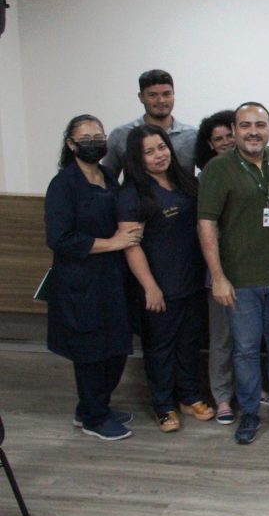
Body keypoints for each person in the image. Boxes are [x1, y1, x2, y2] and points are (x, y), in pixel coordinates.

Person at [197, 102, 269, 444]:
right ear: (235, 130)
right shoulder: (217, 169)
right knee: (244, 349)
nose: (253, 132)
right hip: (239, 281)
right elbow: (206, 225)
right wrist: (218, 277)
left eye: (260, 125)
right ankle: (250, 413)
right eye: (245, 125)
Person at [45, 115, 141, 441]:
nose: (94, 143)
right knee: (90, 351)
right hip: (80, 283)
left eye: (98, 136)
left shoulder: (108, 176)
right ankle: (94, 418)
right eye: (85, 138)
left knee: (116, 346)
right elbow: (59, 238)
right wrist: (112, 243)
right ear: (71, 144)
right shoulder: (64, 185)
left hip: (112, 279)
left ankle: (91, 407)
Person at [118, 124, 213, 433]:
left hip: (192, 282)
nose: (159, 155)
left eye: (161, 148)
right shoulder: (132, 194)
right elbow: (131, 245)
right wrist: (150, 287)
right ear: (137, 158)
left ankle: (189, 396)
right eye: (149, 152)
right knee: (160, 349)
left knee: (189, 343)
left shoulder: (185, 182)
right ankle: (163, 405)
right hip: (160, 287)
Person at [194, 109, 238, 425]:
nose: (225, 142)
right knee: (222, 337)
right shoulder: (205, 178)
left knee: (251, 338)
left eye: (228, 135)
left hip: (253, 270)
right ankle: (222, 396)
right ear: (209, 145)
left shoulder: (258, 170)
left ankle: (251, 389)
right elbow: (205, 228)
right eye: (218, 139)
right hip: (219, 270)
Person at [103, 69, 198, 178]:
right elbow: (107, 179)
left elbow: (209, 171)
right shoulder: (121, 135)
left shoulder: (192, 135)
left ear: (173, 94)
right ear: (141, 97)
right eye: (153, 95)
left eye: (167, 94)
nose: (161, 100)